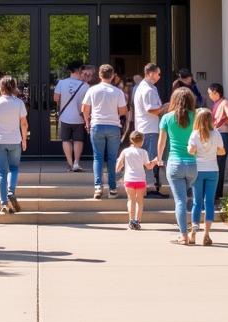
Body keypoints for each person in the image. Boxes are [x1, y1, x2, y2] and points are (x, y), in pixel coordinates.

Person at [156, 87, 198, 245]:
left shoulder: (166, 117)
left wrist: (159, 159)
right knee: (192, 198)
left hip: (174, 164)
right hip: (193, 164)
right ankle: (194, 226)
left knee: (180, 201)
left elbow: (162, 142)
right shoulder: (197, 117)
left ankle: (183, 235)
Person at [82, 63, 127, 199]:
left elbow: (84, 108)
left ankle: (97, 186)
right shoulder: (117, 91)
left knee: (98, 157)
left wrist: (87, 122)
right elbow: (123, 111)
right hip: (113, 126)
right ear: (112, 76)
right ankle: (112, 188)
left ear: (100, 75)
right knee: (112, 158)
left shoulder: (92, 90)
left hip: (97, 125)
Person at [0, 75, 28, 213]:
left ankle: (3, 203)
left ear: (0, 87)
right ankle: (11, 191)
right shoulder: (19, 103)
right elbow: (23, 123)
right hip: (14, 139)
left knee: (1, 172)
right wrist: (24, 139)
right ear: (14, 87)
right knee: (14, 168)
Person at [188, 108, 226, 246]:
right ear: (210, 120)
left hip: (198, 170)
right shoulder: (216, 133)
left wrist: (195, 150)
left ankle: (193, 233)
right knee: (209, 202)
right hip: (212, 170)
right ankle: (206, 234)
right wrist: (213, 150)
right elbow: (222, 152)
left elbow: (191, 151)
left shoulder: (194, 134)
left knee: (196, 202)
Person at [132, 63, 166, 198]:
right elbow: (151, 109)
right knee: (151, 159)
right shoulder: (148, 89)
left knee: (147, 158)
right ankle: (150, 188)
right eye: (158, 73)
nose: (159, 76)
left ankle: (149, 187)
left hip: (145, 127)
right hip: (149, 129)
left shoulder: (146, 87)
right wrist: (165, 108)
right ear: (150, 73)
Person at [116, 131, 158, 230]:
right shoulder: (144, 152)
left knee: (131, 200)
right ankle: (138, 221)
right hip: (140, 179)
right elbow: (148, 166)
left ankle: (131, 221)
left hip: (129, 179)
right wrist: (155, 161)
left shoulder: (125, 151)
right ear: (142, 141)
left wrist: (121, 166)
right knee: (140, 201)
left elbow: (118, 167)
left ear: (131, 140)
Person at [53, 61, 87, 171]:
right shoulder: (85, 85)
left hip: (65, 117)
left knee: (66, 140)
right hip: (79, 118)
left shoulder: (61, 83)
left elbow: (56, 98)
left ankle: (70, 163)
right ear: (79, 70)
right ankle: (76, 163)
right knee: (78, 140)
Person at [208, 82, 228, 201]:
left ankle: (218, 193)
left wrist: (225, 120)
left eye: (210, 93)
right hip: (216, 134)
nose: (209, 96)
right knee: (215, 164)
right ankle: (214, 192)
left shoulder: (224, 103)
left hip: (222, 134)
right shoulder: (216, 103)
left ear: (215, 92)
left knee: (220, 164)